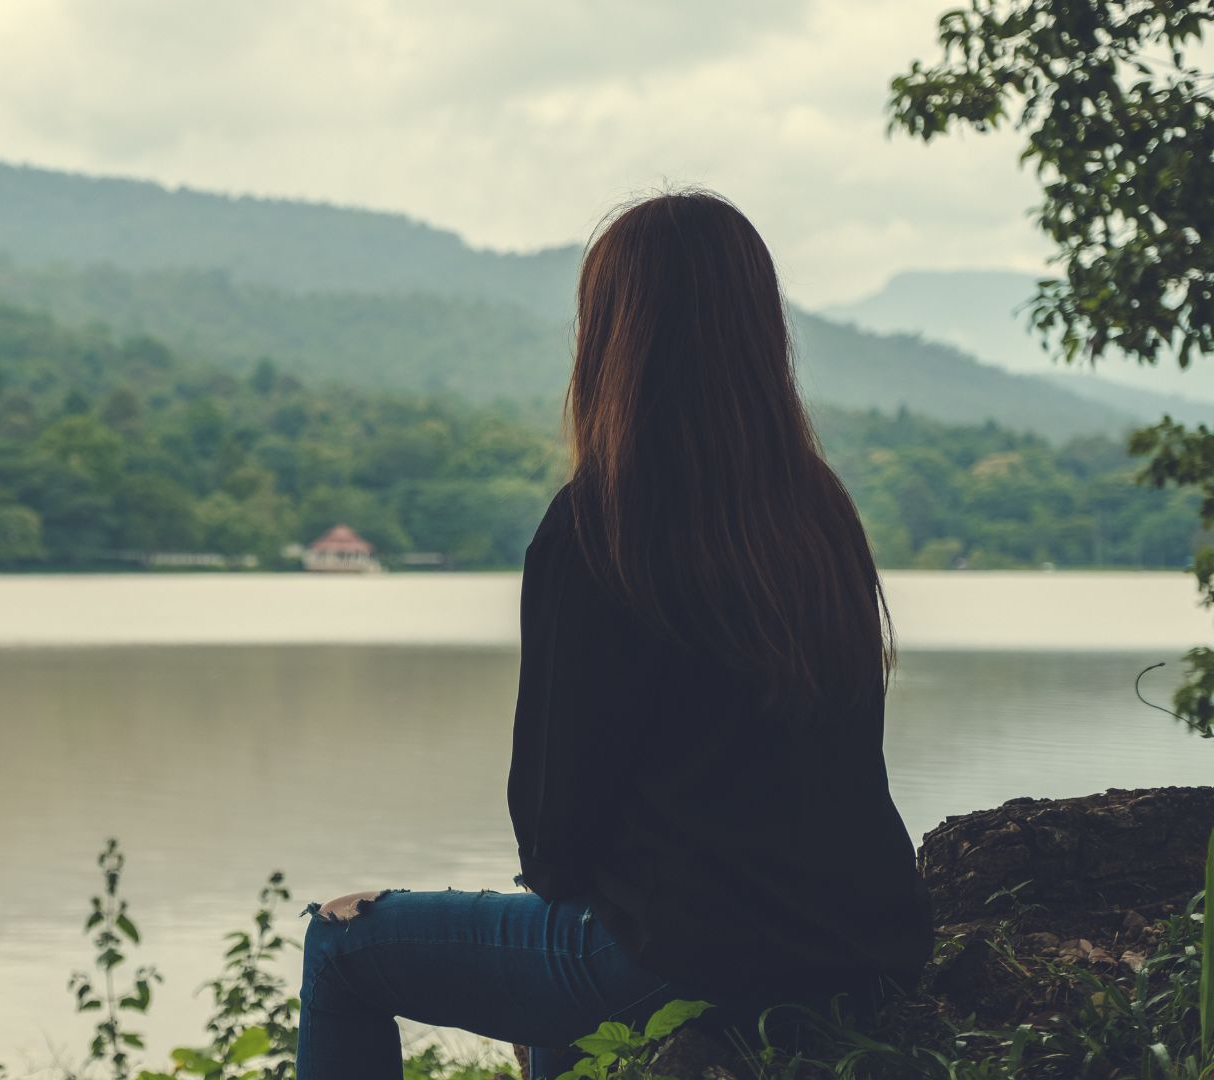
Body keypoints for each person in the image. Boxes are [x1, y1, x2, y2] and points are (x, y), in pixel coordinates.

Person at [294, 190, 934, 1080]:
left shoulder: (602, 524)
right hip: (861, 954)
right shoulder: (818, 511)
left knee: (343, 944)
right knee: (587, 930)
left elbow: (555, 826)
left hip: (691, 962)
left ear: (614, 337)